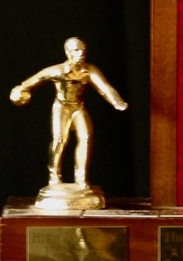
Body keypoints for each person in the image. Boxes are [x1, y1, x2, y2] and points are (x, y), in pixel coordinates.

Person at [10, 38, 128, 189]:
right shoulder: (57, 71)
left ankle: (81, 179)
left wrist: (117, 102)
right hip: (62, 107)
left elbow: (104, 88)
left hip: (78, 107)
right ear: (67, 52)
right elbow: (29, 83)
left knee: (86, 137)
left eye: (83, 50)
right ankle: (54, 176)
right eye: (77, 50)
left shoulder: (89, 70)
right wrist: (19, 93)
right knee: (60, 139)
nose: (81, 54)